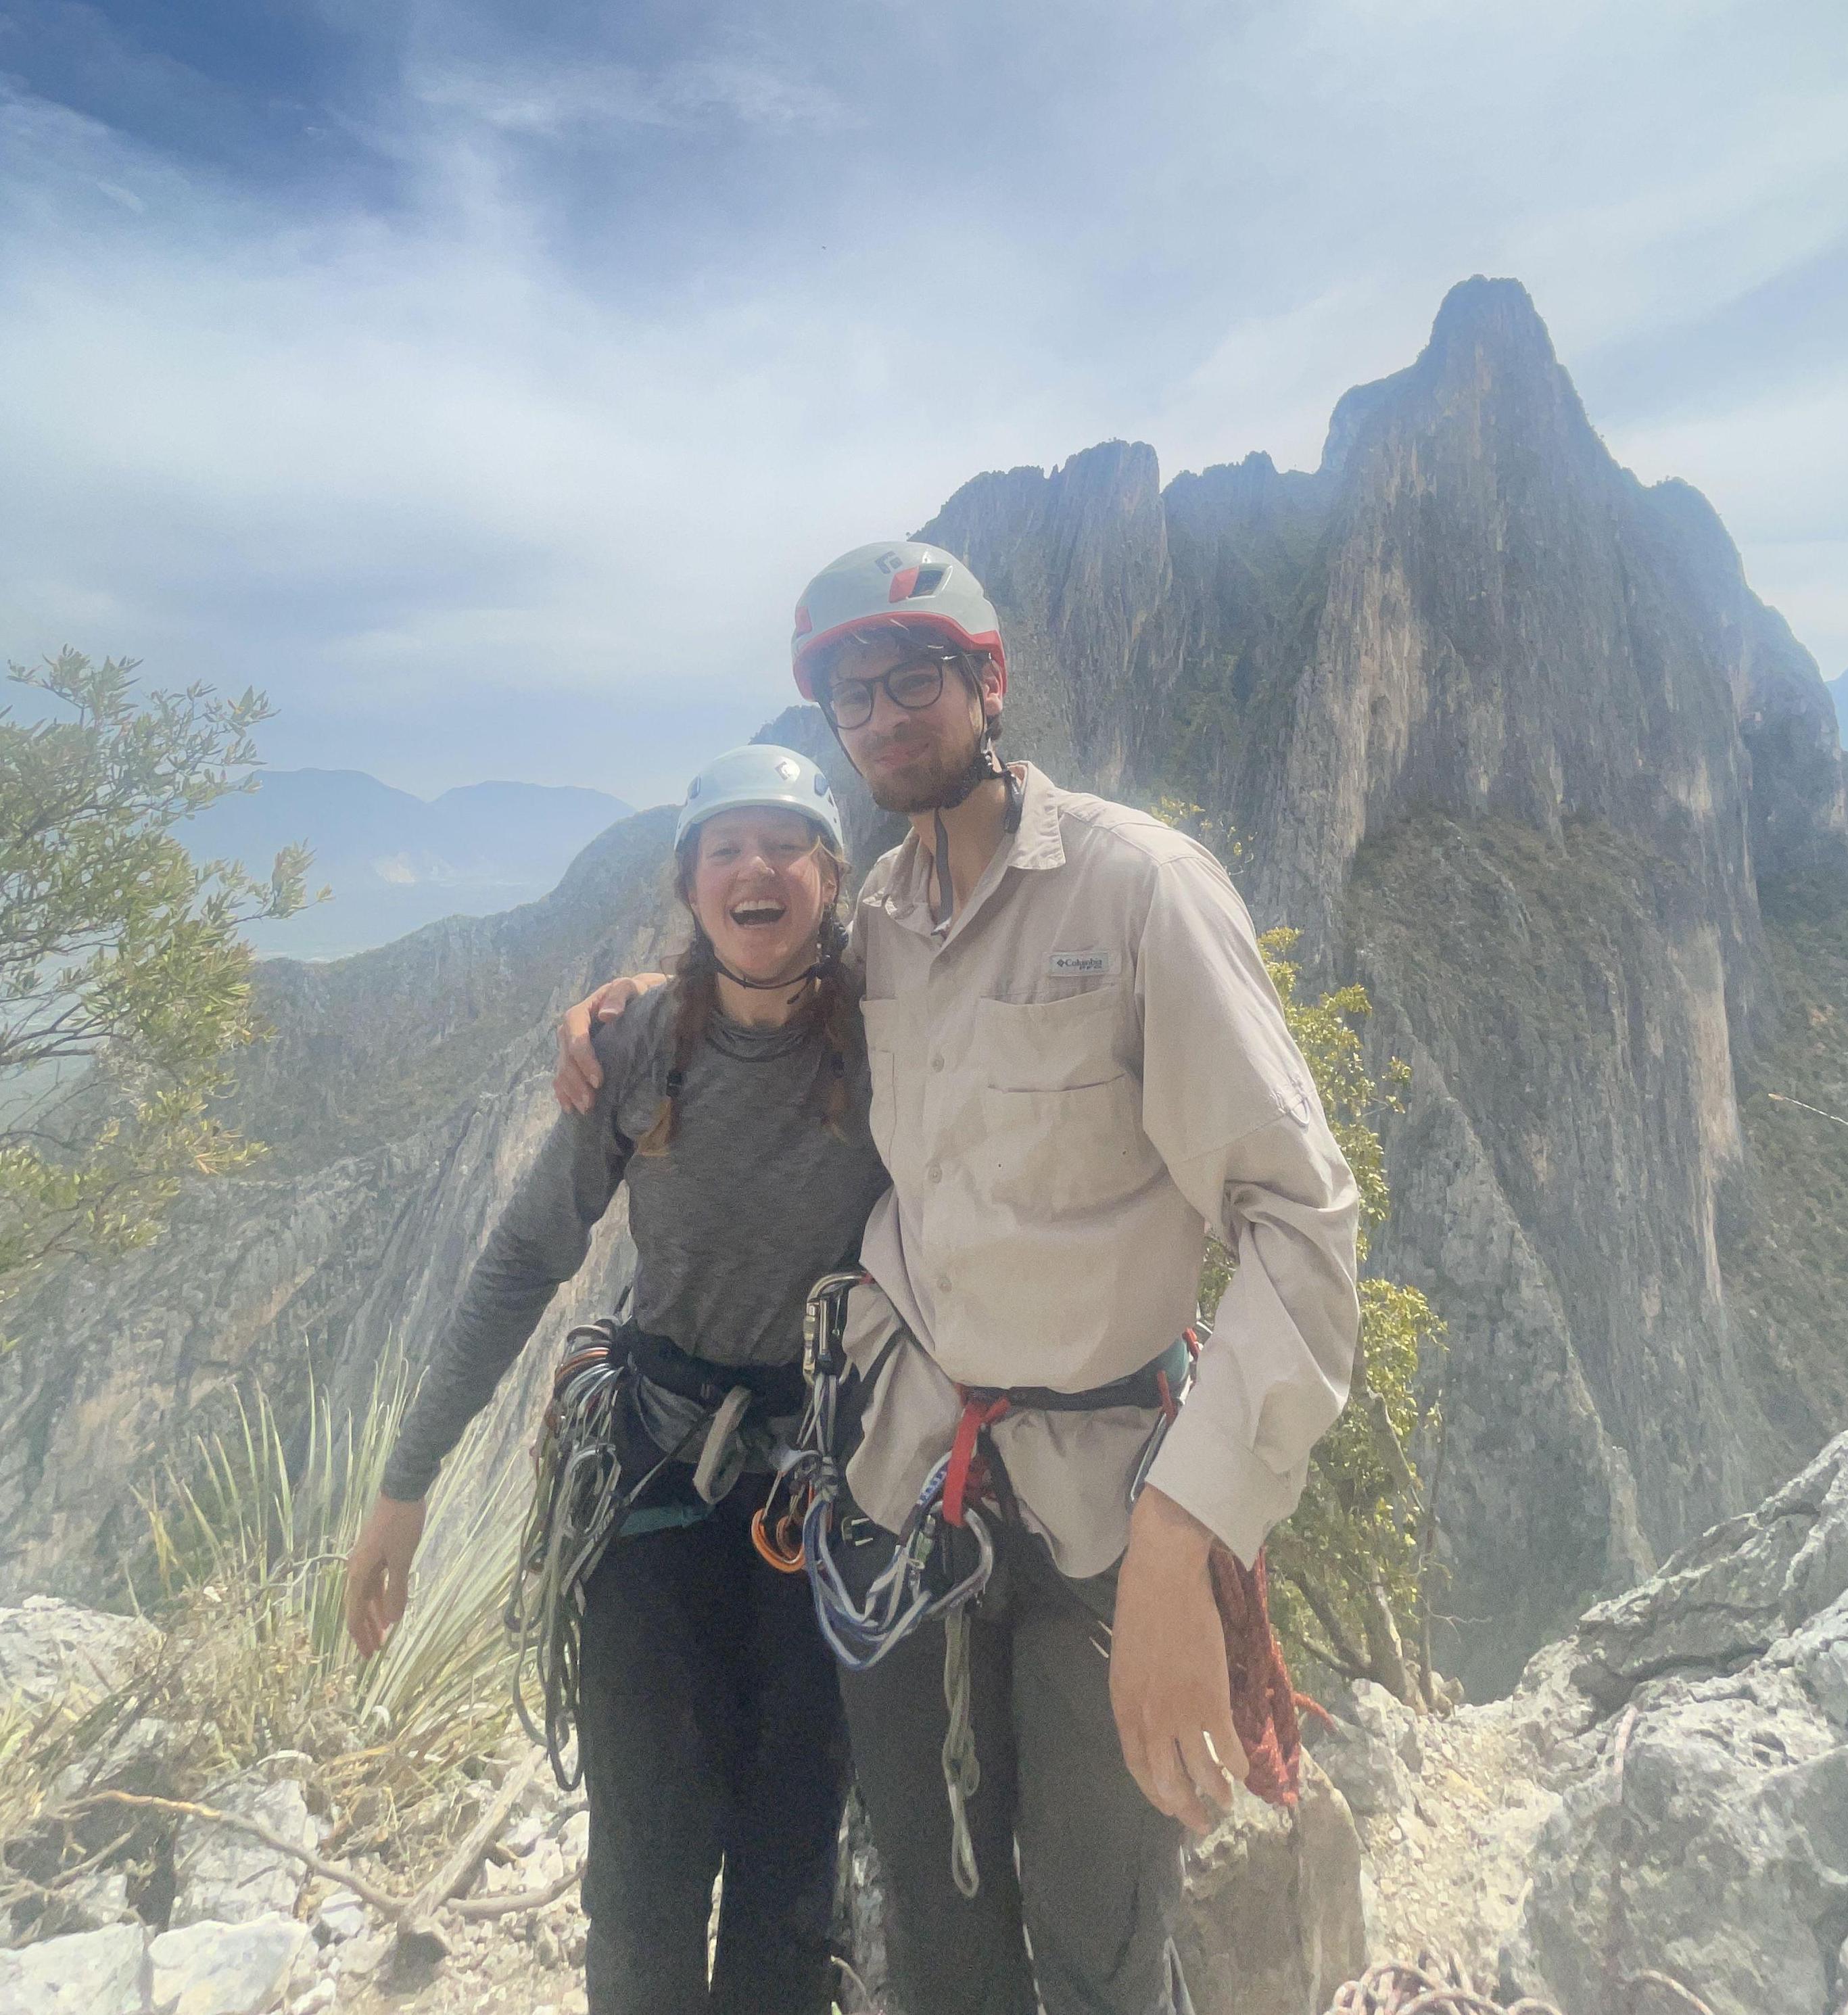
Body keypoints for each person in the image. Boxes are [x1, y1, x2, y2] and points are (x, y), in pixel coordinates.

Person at [556, 543, 1362, 2015]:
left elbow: (1301, 1223)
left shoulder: (1138, 894)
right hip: (900, 1493)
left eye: (912, 677)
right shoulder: (877, 927)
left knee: (1099, 1931)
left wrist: (1189, 1543)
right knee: (936, 1932)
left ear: (986, 682)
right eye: (850, 692)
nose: (882, 715)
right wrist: (624, 1007)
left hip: (1107, 1509)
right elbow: (756, 981)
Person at [345, 746, 888, 2015]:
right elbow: (524, 1258)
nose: (757, 867)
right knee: (641, 1877)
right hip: (655, 1482)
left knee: (789, 1874)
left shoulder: (895, 1039)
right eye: (726, 848)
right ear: (692, 884)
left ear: (831, 875)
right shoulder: (640, 1048)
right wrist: (404, 1483)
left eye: (785, 843)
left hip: (827, 1496)